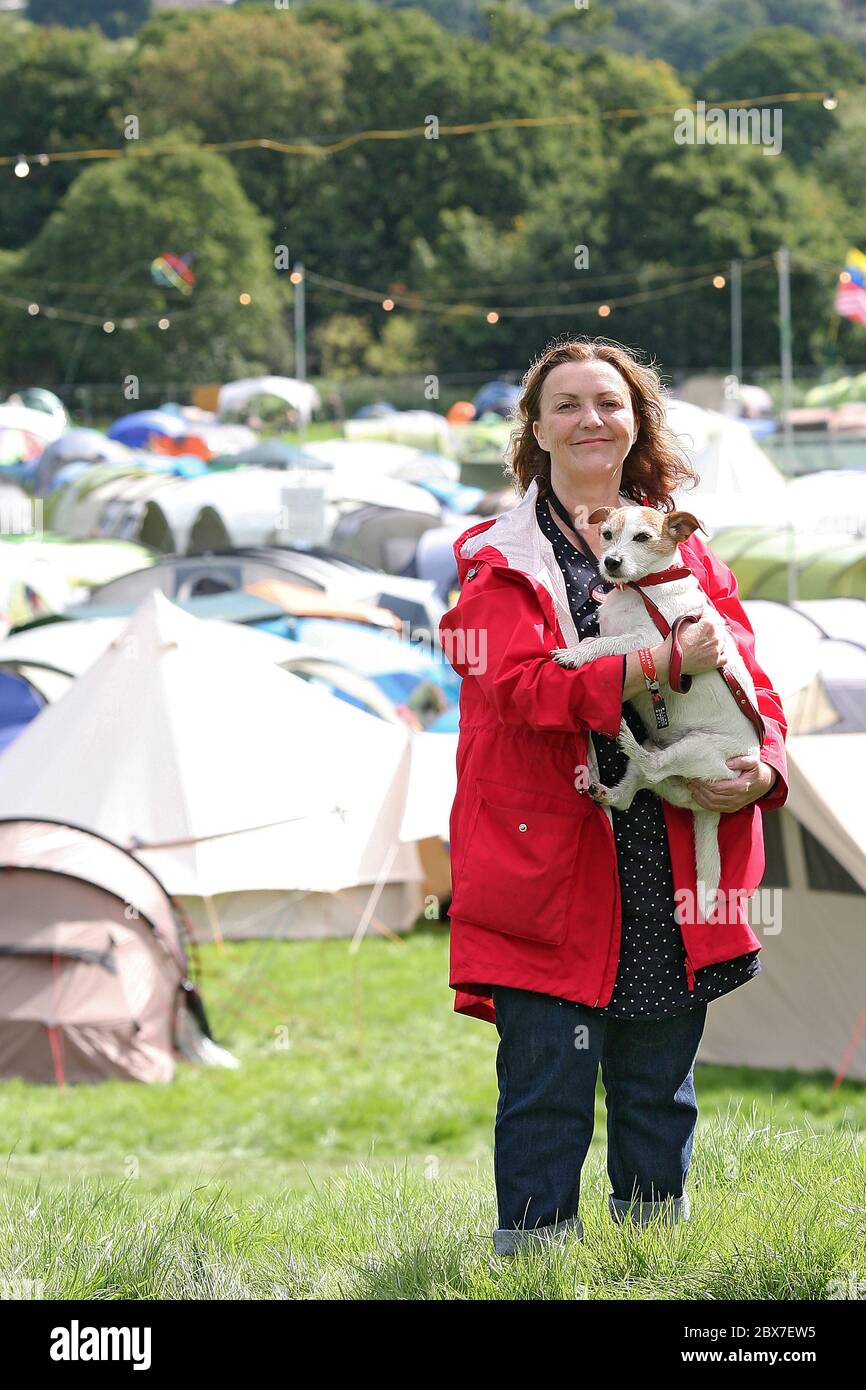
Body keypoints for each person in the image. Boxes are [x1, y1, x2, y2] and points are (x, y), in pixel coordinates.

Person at [438, 337, 789, 1256]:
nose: (590, 419)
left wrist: (764, 768)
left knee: (655, 1089)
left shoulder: (680, 540)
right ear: (536, 427)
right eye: (567, 404)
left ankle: (650, 1266)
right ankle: (533, 1270)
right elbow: (518, 689)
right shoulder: (496, 558)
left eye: (610, 402)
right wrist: (655, 664)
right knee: (549, 1086)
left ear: (637, 420)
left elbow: (751, 675)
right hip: (550, 857)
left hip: (669, 851)